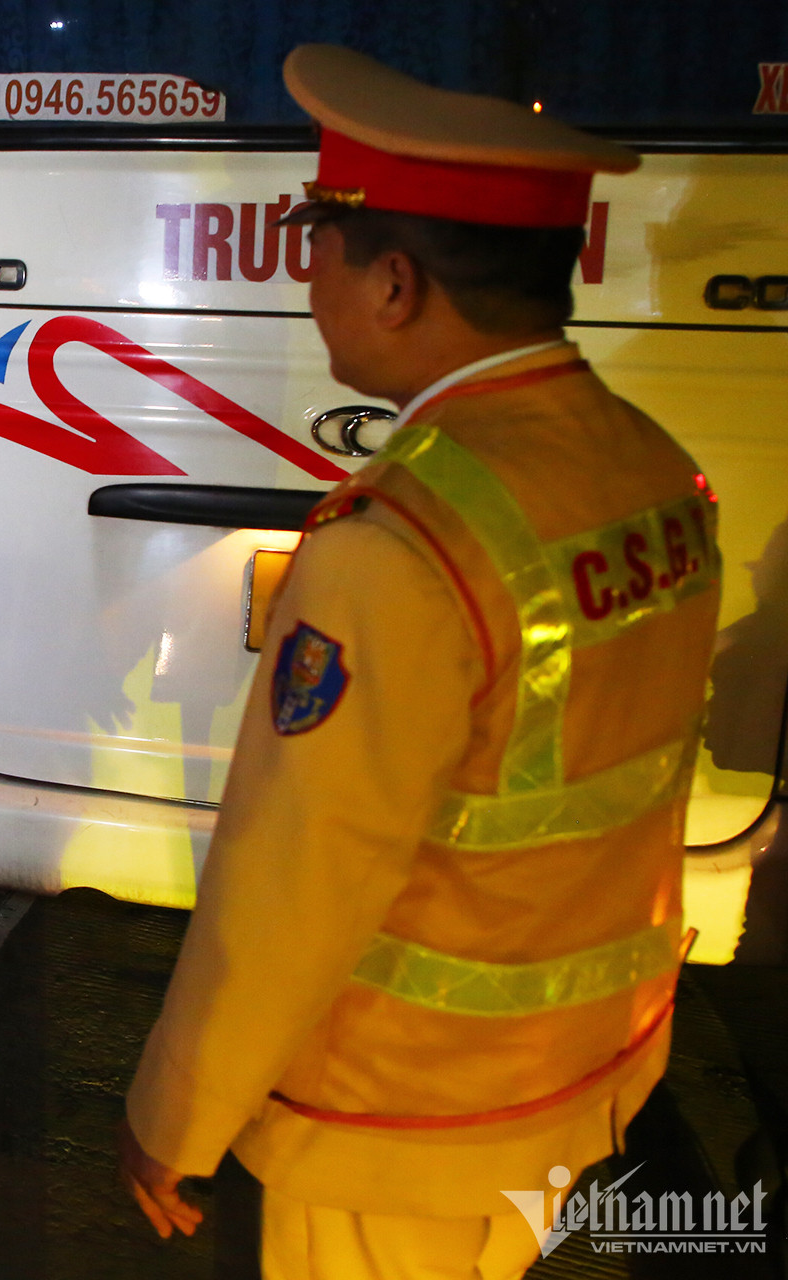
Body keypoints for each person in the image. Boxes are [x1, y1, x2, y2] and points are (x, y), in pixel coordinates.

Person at [118, 45, 721, 1280]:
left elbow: (292, 887)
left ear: (393, 282)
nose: (309, 276)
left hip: (400, 1118)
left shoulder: (398, 549)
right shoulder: (653, 469)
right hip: (575, 1077)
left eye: (317, 242)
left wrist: (174, 1114)